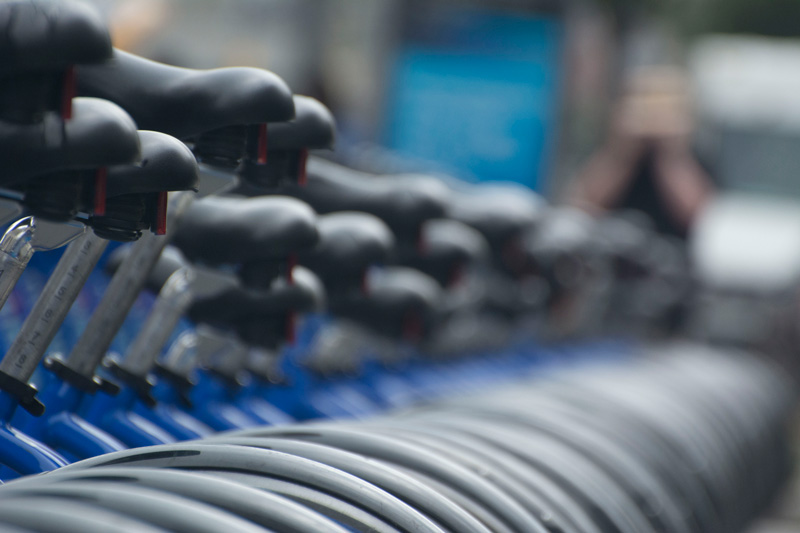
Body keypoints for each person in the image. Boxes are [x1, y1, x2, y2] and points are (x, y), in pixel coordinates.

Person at [567, 67, 714, 239]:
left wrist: (671, 154)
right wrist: (623, 151)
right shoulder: (607, 150)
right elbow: (584, 207)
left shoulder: (694, 155)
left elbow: (698, 217)